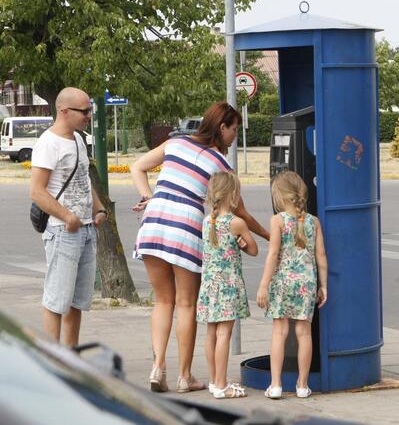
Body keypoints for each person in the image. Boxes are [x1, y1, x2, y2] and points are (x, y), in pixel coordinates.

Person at [130, 101, 269, 393]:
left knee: (162, 301)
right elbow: (240, 213)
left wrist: (148, 197)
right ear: (222, 127)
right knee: (185, 304)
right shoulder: (220, 164)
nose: (235, 137)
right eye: (234, 130)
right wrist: (269, 235)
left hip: (154, 220)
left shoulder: (175, 143)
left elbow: (137, 167)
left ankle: (158, 368)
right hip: (186, 225)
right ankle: (184, 376)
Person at [30, 87, 109, 346]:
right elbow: (37, 192)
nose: (89, 115)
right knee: (56, 300)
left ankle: (70, 356)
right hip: (63, 231)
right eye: (84, 111)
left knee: (77, 302)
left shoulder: (77, 139)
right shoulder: (48, 143)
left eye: (90, 110)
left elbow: (83, 178)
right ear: (64, 111)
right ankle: (53, 360)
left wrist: (98, 208)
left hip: (86, 229)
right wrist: (67, 217)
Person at [256, 171, 328, 399]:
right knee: (303, 333)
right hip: (306, 284)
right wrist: (323, 286)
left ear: (279, 196)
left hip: (282, 281)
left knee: (280, 331)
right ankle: (302, 385)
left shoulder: (277, 221)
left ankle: (276, 384)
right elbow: (321, 256)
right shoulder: (313, 222)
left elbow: (273, 254)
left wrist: (264, 285)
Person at [196, 171, 258, 399]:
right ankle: (222, 385)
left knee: (211, 333)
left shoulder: (207, 221)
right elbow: (254, 249)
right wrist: (241, 244)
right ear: (233, 195)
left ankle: (215, 380)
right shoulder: (236, 223)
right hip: (228, 287)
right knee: (224, 334)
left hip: (210, 286)